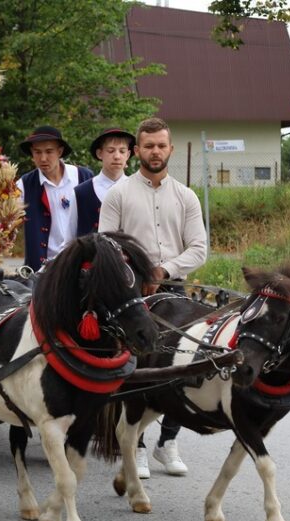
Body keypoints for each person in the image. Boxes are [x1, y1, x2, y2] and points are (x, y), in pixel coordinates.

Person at [99, 117, 207, 478]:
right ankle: (137, 445)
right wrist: (143, 273)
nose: (155, 151)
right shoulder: (119, 195)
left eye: (161, 145)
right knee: (137, 367)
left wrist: (165, 270)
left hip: (175, 290)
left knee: (181, 366)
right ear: (137, 151)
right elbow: (107, 247)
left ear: (170, 149)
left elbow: (199, 249)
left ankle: (168, 442)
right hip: (133, 294)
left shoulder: (186, 196)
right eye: (148, 146)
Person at [16, 126, 94, 272]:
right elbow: (6, 219)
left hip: (82, 263)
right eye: (37, 152)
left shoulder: (84, 177)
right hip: (43, 269)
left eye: (49, 151)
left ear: (60, 151)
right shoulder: (24, 185)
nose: (43, 158)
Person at [73, 127, 136, 233]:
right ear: (99, 153)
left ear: (128, 155)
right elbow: (69, 236)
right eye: (111, 151)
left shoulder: (137, 190)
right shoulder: (80, 192)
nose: (117, 156)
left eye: (122, 151)